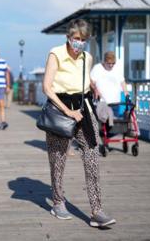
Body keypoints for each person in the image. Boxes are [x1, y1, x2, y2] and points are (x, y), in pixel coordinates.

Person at [42, 19, 116, 227]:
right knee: (58, 159)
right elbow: (47, 87)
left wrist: (92, 90)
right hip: (60, 109)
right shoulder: (56, 54)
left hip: (83, 109)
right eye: (76, 39)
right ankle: (57, 201)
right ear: (68, 37)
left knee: (92, 155)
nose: (79, 43)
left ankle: (97, 210)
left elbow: (82, 82)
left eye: (83, 40)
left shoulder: (88, 57)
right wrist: (68, 111)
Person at [90, 51, 129, 116]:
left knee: (114, 124)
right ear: (104, 61)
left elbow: (122, 82)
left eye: (113, 63)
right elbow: (91, 83)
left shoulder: (117, 69)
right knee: (103, 124)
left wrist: (127, 95)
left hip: (115, 103)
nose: (111, 65)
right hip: (102, 104)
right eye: (109, 63)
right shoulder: (97, 68)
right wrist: (95, 90)